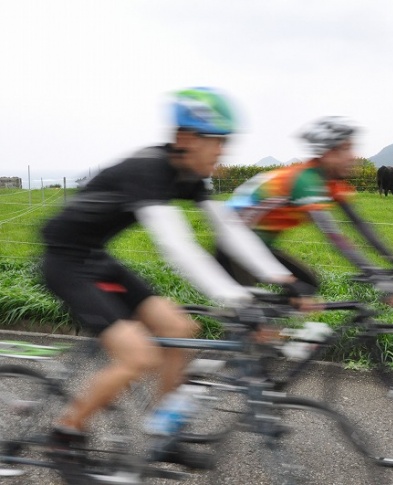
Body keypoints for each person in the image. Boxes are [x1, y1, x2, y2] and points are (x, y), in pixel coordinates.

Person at [41, 87, 302, 469]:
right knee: (138, 356)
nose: (221, 153)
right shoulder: (147, 169)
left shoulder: (190, 174)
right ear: (185, 138)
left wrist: (281, 277)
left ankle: (165, 438)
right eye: (216, 142)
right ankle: (65, 433)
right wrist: (238, 301)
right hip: (65, 263)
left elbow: (228, 229)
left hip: (97, 258)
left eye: (224, 143)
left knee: (180, 330)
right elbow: (178, 247)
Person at [217, 116, 393, 296]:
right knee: (256, 318)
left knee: (308, 286)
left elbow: (359, 224)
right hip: (235, 245)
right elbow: (334, 235)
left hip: (260, 245)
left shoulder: (333, 183)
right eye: (346, 149)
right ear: (327, 154)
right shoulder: (305, 180)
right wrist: (374, 274)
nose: (353, 156)